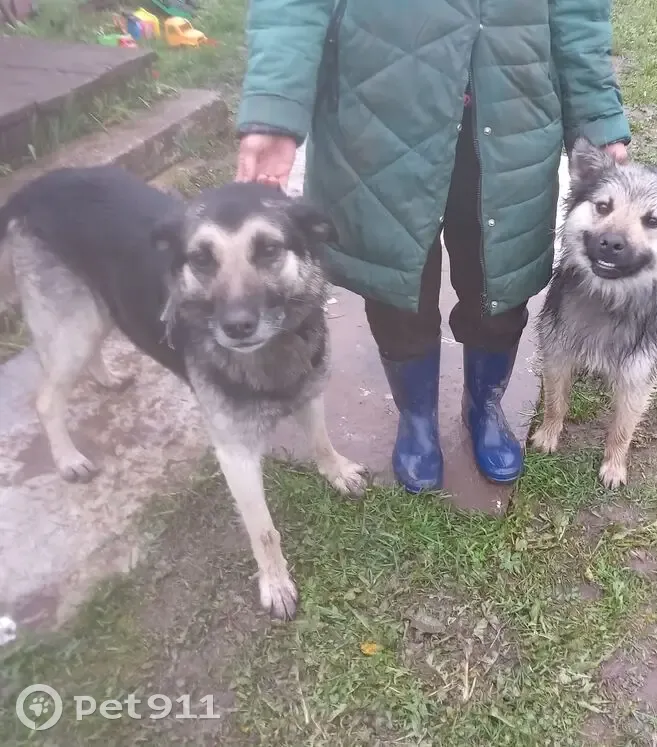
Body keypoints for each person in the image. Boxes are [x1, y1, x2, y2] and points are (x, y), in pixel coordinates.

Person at [236, 1, 630, 494]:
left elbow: (576, 9)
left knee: (500, 279)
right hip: (379, 107)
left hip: (513, 107)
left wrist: (597, 114)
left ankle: (483, 406)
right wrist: (275, 106)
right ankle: (417, 417)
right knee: (396, 281)